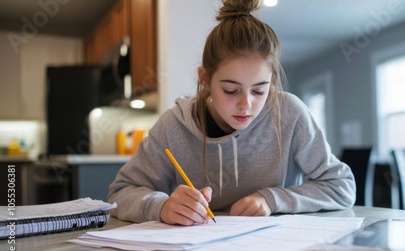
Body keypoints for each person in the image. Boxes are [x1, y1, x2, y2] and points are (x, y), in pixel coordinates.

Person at [108, 0, 355, 226]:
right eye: (230, 90)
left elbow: (341, 187)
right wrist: (160, 206)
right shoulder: (173, 126)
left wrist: (272, 199)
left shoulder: (290, 114)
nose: (245, 104)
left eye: (259, 91)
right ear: (205, 79)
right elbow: (120, 193)